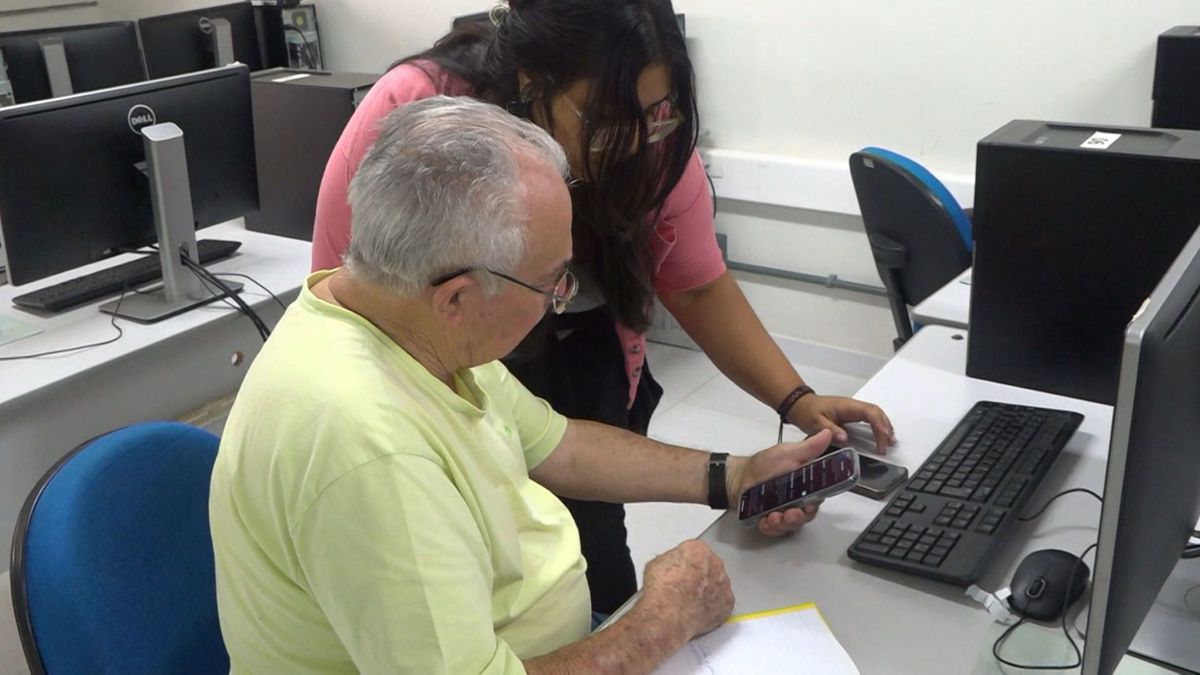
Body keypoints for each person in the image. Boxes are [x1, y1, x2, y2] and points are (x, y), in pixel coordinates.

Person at [311, 0, 895, 615]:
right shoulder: (422, 125)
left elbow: (559, 444)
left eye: (659, 112)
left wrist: (759, 447)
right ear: (533, 84)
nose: (642, 141)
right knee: (491, 576)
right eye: (615, 118)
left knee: (591, 575)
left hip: (505, 374)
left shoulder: (648, 146)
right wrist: (645, 632)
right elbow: (355, 297)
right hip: (419, 386)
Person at [212, 96, 832, 674]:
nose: (559, 300)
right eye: (551, 283)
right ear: (457, 296)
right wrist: (657, 623)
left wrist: (734, 475)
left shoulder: (398, 309)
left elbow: (557, 444)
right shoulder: (370, 445)